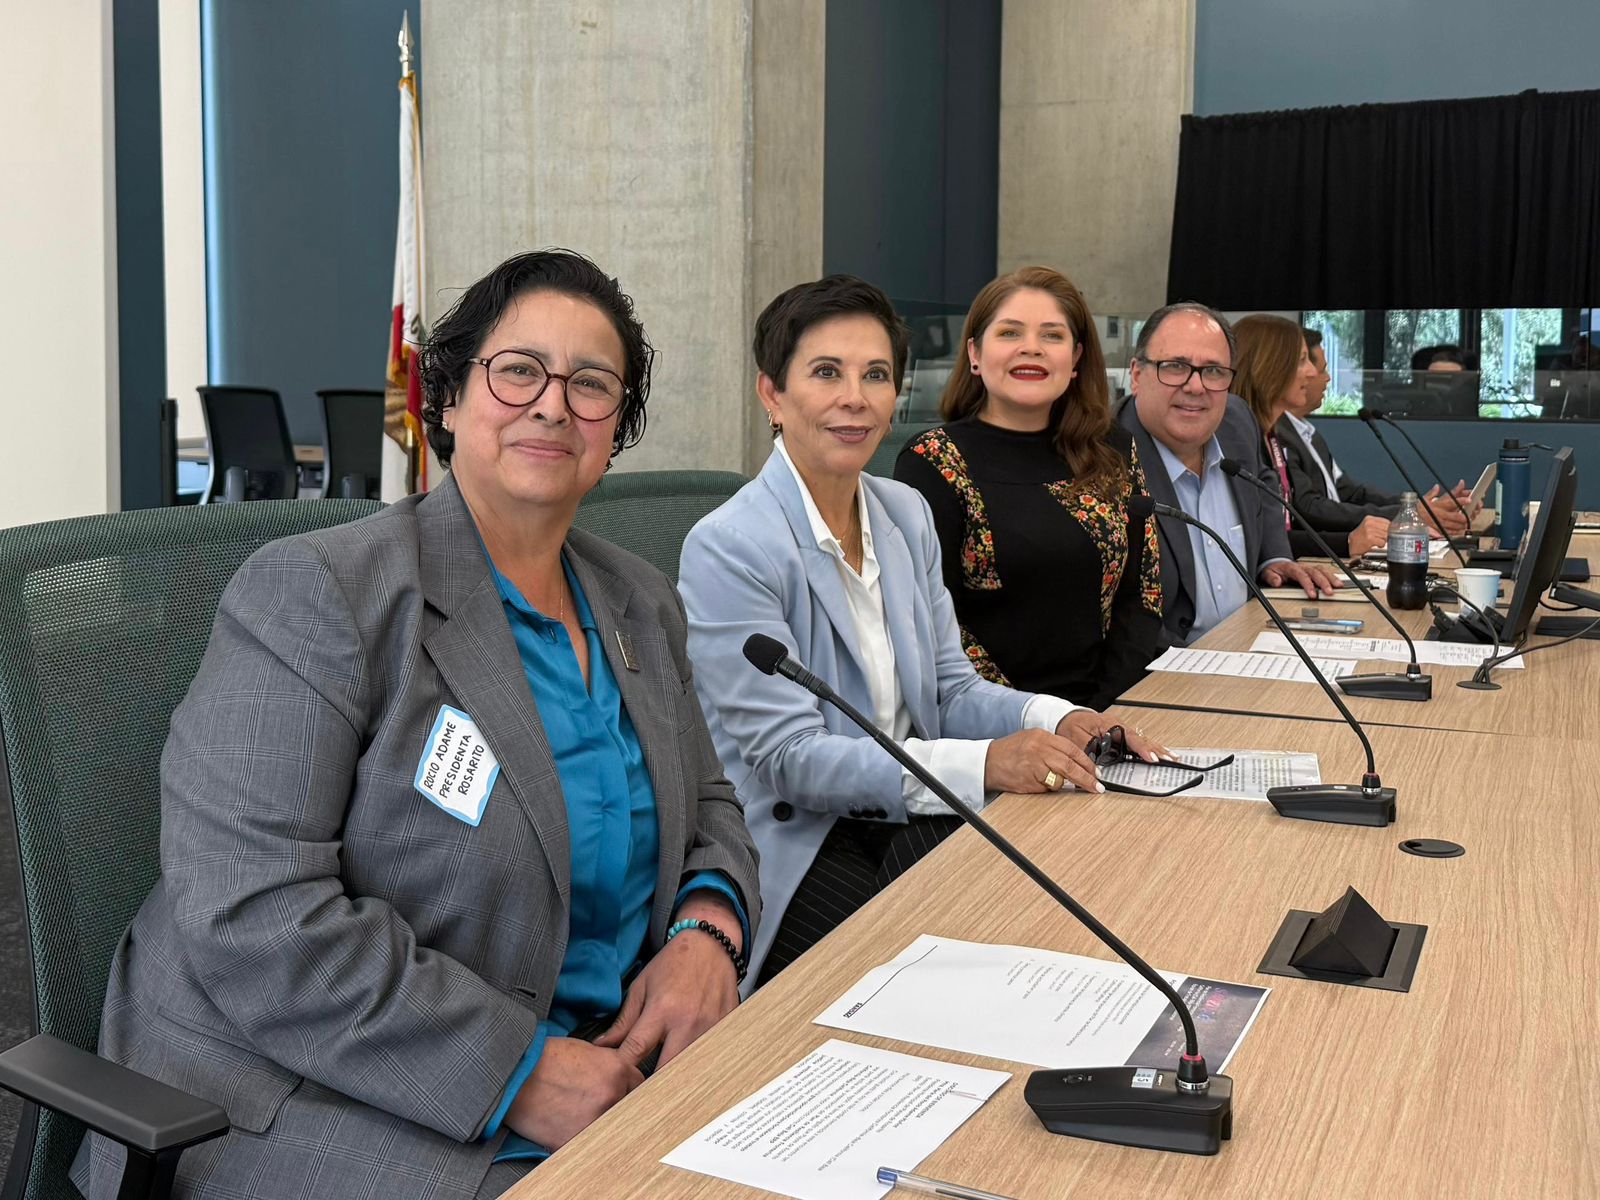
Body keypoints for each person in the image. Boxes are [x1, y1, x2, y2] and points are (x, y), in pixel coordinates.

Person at [72, 251, 760, 1200]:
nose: (553, 405)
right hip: (312, 1084)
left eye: (591, 384)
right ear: (447, 398)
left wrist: (706, 929)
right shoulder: (324, 593)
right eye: (518, 369)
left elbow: (712, 802)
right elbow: (253, 912)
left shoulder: (639, 600)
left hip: (607, 1066)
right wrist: (518, 1068)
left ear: (615, 429)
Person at [679, 275, 1172, 989]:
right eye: (826, 373)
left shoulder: (903, 513)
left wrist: (1062, 719)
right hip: (802, 842)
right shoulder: (729, 545)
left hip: (909, 813)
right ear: (772, 396)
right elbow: (792, 760)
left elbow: (950, 687)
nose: (855, 397)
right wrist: (983, 767)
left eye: (876, 375)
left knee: (1076, 873)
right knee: (991, 939)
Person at [893, 266, 1163, 707]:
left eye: (1052, 336)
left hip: (1109, 712)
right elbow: (931, 621)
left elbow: (1143, 592)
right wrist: (1034, 720)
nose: (1031, 349)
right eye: (1010, 333)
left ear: (1076, 359)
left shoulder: (1113, 450)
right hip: (987, 725)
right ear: (975, 354)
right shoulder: (933, 463)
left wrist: (1102, 710)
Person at [1117, 302, 1338, 647]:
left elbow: (1263, 485)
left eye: (1214, 371)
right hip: (1163, 672)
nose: (1195, 386)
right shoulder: (1103, 454)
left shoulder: (1235, 420)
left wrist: (1274, 556)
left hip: (1253, 642)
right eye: (1175, 367)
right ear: (1136, 374)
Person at [1282, 328, 1474, 550]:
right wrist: (1406, 514)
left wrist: (1413, 506)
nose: (1327, 378)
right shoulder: (1280, 434)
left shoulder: (1308, 432)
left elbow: (1350, 493)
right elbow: (1309, 507)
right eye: (1322, 370)